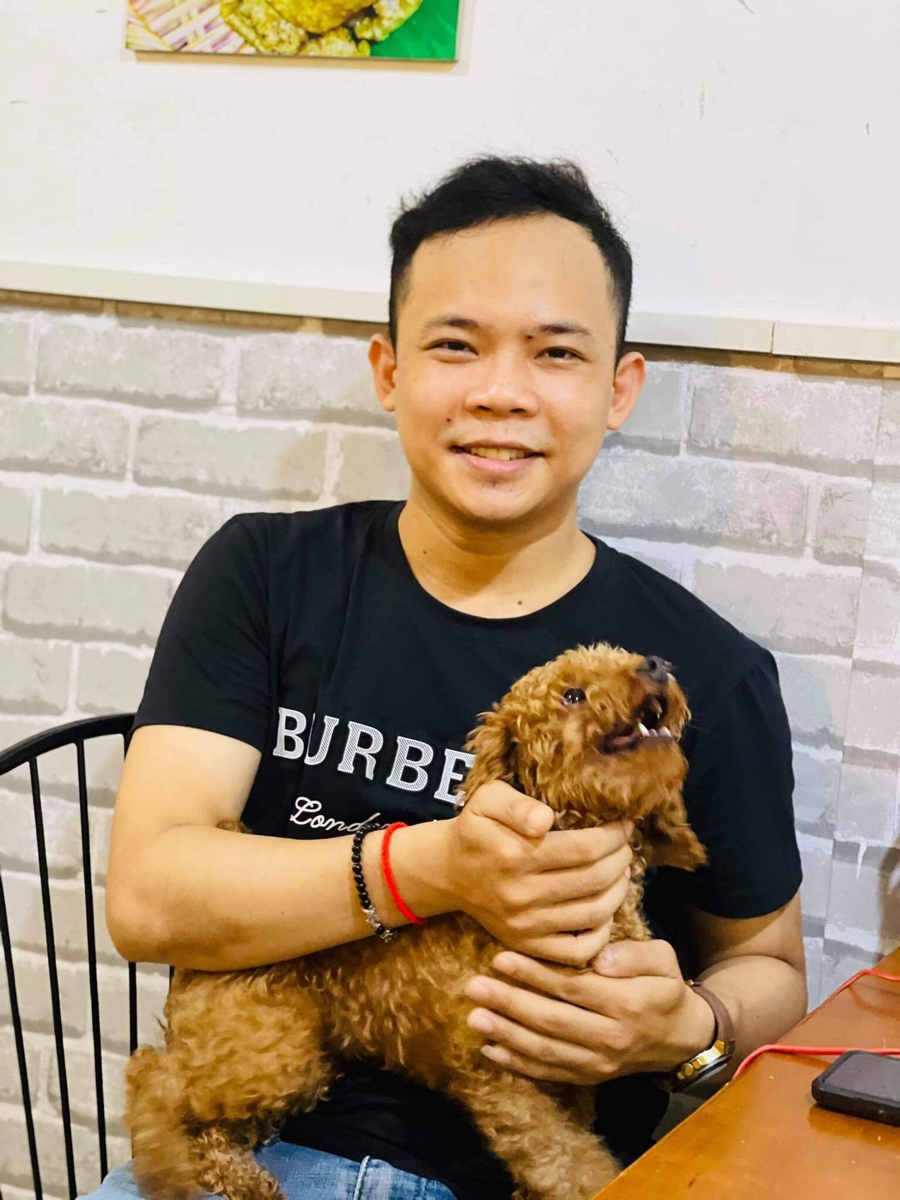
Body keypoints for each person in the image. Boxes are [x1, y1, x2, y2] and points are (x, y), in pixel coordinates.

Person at [96, 157, 806, 1200]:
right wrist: (429, 869)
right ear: (389, 371)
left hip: (538, 1173)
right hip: (250, 1149)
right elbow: (149, 897)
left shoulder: (696, 676)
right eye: (456, 345)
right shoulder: (267, 574)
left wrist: (695, 1026)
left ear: (619, 388)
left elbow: (772, 967)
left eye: (555, 352)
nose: (500, 392)